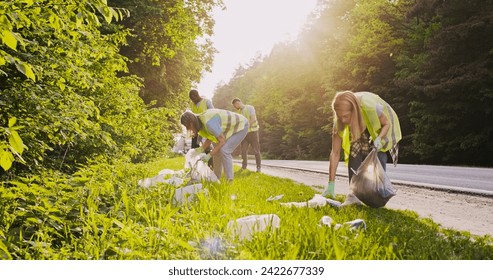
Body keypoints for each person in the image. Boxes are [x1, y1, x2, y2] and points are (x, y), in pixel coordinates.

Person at [322, 91, 402, 198]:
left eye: (345, 116)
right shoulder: (339, 121)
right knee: (354, 154)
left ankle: (378, 194)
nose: (343, 120)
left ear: (354, 110)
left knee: (377, 161)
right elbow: (335, 153)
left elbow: (386, 124)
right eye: (340, 116)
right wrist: (331, 184)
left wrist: (379, 138)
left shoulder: (372, 107)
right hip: (357, 132)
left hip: (375, 132)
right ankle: (354, 194)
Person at [180, 109, 249, 182]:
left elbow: (222, 141)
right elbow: (210, 138)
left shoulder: (209, 123)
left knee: (224, 151)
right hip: (227, 131)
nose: (188, 129)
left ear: (191, 123)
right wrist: (201, 149)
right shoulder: (200, 125)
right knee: (217, 153)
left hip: (241, 125)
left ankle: (229, 181)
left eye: (187, 126)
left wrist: (209, 155)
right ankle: (216, 179)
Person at [231, 98, 262, 172]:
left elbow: (253, 119)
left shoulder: (250, 107)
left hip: (253, 132)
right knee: (243, 151)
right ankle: (244, 167)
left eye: (235, 105)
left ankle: (258, 168)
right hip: (244, 134)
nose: (235, 107)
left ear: (237, 103)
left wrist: (247, 127)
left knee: (256, 151)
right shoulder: (239, 113)